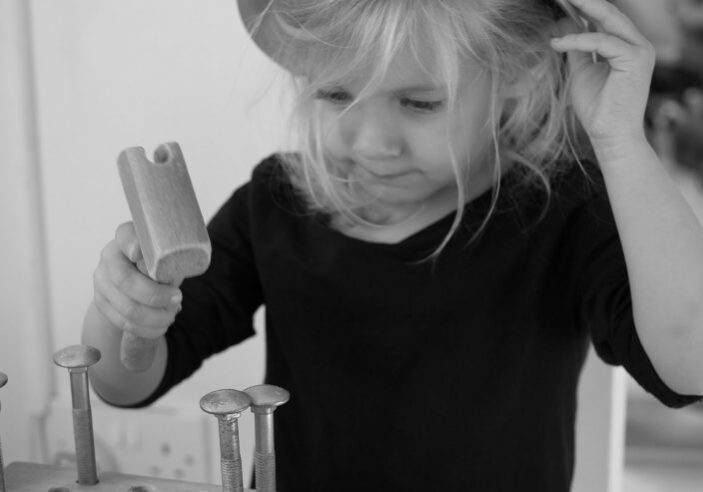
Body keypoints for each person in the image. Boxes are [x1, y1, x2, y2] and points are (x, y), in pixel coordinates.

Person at [82, 0, 703, 490]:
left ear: (515, 71)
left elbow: (691, 363)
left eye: (419, 102)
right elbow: (122, 382)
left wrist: (621, 141)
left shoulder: (564, 208)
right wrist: (123, 310)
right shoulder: (276, 202)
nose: (373, 142)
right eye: (334, 92)